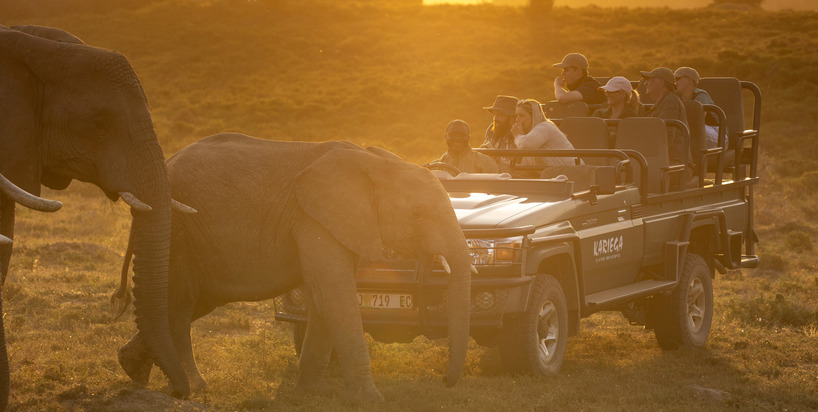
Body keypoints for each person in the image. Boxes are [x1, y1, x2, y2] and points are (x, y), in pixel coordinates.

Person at [641, 67, 693, 168]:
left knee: (638, 176)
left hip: (676, 164)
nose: (645, 83)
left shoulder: (670, 102)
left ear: (661, 83)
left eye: (649, 80)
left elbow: (666, 138)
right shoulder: (662, 103)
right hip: (663, 162)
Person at [511, 99, 576, 174]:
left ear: (534, 116)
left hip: (571, 174)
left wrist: (517, 136)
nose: (517, 119)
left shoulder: (544, 127)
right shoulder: (529, 136)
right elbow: (525, 169)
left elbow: (527, 144)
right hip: (556, 176)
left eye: (521, 115)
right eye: (516, 115)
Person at [674, 66, 727, 148]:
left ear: (689, 80)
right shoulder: (676, 97)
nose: (675, 82)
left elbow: (697, 122)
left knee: (685, 128)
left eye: (677, 78)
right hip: (697, 132)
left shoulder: (701, 95)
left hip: (719, 135)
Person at [433, 119, 500, 173]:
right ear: (446, 137)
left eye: (462, 135)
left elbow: (495, 188)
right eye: (452, 134)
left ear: (468, 138)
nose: (457, 138)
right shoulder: (435, 166)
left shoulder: (486, 163)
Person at [481, 95, 518, 172]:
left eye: (500, 115)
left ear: (513, 117)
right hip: (491, 175)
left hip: (511, 179)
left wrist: (499, 161)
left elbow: (519, 168)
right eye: (494, 114)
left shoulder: (521, 135)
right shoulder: (492, 130)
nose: (495, 119)